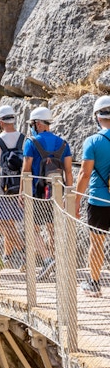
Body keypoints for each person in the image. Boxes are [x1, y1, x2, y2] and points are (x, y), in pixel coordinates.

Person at [21, 107, 73, 281]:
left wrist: (22, 191)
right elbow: (68, 172)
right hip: (56, 193)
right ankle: (57, 262)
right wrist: (69, 194)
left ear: (37, 123)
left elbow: (26, 169)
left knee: (32, 228)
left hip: (37, 192)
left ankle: (47, 259)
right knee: (52, 228)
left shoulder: (31, 142)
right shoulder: (63, 143)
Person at [75, 95, 110, 296]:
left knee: (96, 244)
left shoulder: (93, 141)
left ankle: (94, 284)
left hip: (99, 200)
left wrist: (77, 200)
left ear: (97, 116)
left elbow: (85, 173)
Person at [0, 105, 25, 269]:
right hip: (21, 187)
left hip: (3, 187)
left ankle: (24, 252)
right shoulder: (24, 139)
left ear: (0, 122)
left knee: (2, 222)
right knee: (11, 223)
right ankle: (8, 256)